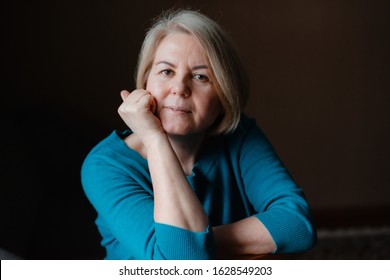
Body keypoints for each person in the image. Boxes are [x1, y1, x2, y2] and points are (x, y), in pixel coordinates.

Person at [81, 9, 316, 260]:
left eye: (200, 76)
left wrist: (198, 246)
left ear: (223, 94)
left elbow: (297, 225)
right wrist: (154, 138)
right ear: (146, 80)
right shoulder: (105, 166)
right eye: (167, 71)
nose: (180, 88)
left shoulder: (240, 135)